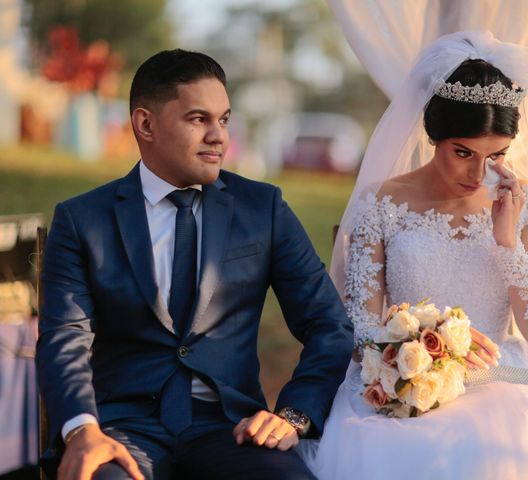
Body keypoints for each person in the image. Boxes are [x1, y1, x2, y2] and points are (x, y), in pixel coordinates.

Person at [298, 31, 528, 479]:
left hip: (511, 376)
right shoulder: (381, 203)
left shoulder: (522, 202)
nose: (479, 173)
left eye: (495, 155)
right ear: (433, 135)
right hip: (407, 378)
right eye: (463, 153)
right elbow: (361, 330)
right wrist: (423, 351)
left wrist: (506, 243)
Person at [36, 49, 353, 480]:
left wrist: (294, 414)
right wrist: (81, 431)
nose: (218, 136)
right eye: (198, 119)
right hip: (122, 429)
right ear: (145, 124)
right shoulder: (82, 220)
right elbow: (64, 338)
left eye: (223, 119)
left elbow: (328, 324)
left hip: (230, 428)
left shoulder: (264, 209)